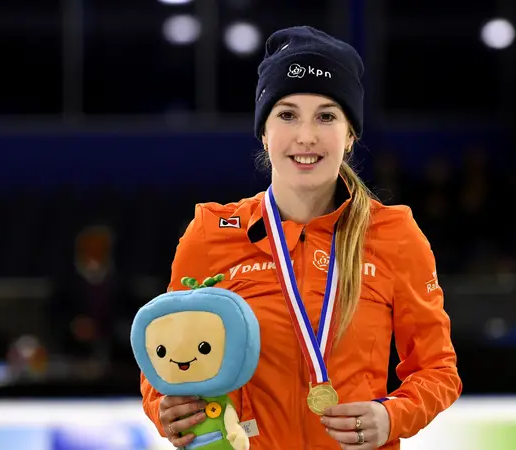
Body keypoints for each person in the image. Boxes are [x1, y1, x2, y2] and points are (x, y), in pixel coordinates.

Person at [140, 25, 462, 449]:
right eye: (287, 115)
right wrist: (165, 410)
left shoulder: (394, 235)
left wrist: (391, 416)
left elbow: (438, 369)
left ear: (350, 135)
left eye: (326, 116)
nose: (306, 136)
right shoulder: (210, 234)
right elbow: (163, 360)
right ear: (264, 131)